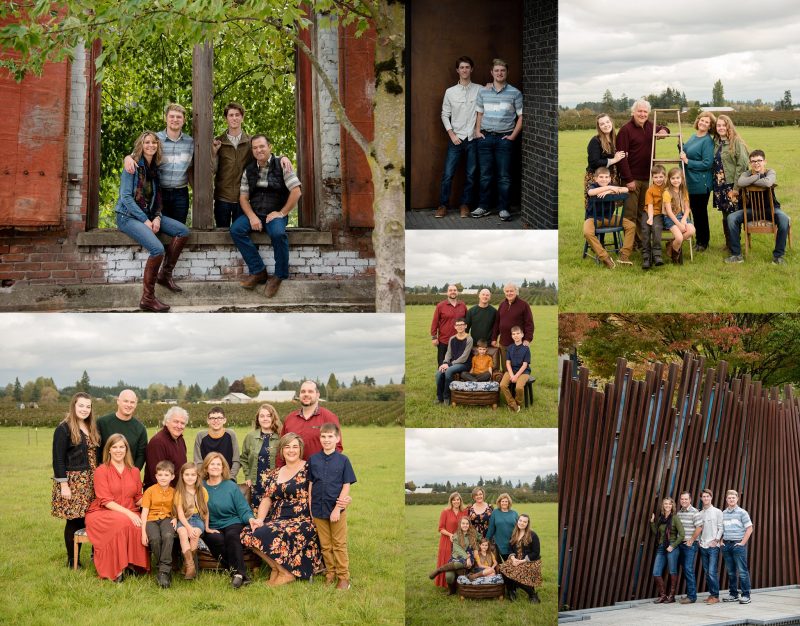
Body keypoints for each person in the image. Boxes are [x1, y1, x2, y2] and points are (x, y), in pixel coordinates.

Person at [115, 131, 190, 312]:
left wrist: (156, 217)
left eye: (154, 142)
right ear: (141, 145)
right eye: (147, 142)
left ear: (158, 146)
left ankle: (165, 275)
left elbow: (157, 198)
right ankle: (147, 298)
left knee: (183, 231)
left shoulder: (154, 168)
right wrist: (145, 221)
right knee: (157, 249)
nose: (151, 145)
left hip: (148, 215)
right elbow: (125, 197)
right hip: (128, 216)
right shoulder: (132, 166)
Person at [242, 433, 322, 586]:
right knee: (248, 532)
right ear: (281, 450)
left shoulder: (309, 469)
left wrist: (316, 520)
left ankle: (285, 573)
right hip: (278, 518)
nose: (291, 450)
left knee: (273, 531)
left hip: (301, 519)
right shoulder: (276, 472)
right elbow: (267, 498)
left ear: (300, 450)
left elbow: (317, 494)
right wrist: (259, 519)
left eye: (295, 447)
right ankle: (277, 568)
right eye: (287, 447)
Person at [231, 134, 302, 297]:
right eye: (255, 148)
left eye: (262, 146)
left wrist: (281, 213)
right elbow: (243, 197)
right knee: (235, 230)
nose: (258, 150)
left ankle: (279, 275)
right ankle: (258, 271)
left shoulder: (282, 165)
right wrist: (252, 217)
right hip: (255, 212)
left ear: (269, 147)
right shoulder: (248, 170)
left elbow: (296, 191)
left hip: (275, 213)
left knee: (278, 234)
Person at [84, 434, 150, 581]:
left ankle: (132, 565)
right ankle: (116, 569)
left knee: (140, 525)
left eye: (122, 447)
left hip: (129, 510)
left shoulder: (134, 471)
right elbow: (105, 500)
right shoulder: (102, 470)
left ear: (126, 450)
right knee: (123, 521)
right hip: (103, 512)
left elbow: (138, 498)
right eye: (114, 447)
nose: (118, 450)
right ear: (108, 450)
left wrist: (155, 498)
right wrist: (129, 514)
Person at [51, 392, 100, 568]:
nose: (85, 409)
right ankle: (73, 561)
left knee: (90, 519)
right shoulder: (63, 429)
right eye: (81, 405)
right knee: (74, 520)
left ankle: (96, 555)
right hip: (73, 482)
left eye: (88, 406)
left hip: (91, 482)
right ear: (73, 406)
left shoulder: (91, 427)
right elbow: (58, 459)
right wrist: (64, 485)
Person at [124, 103, 194, 225]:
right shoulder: (155, 139)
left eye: (179, 117)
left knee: (179, 228)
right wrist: (127, 158)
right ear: (166, 118)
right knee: (158, 228)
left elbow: (194, 167)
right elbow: (136, 155)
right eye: (172, 116)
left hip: (181, 195)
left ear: (184, 120)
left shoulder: (191, 142)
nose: (175, 120)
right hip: (159, 192)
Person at [472, 58, 523, 221]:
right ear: (492, 73)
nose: (499, 73)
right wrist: (477, 131)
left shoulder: (515, 93)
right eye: (497, 71)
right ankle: (484, 207)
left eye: (502, 70)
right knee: (485, 175)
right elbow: (479, 113)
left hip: (504, 139)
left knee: (504, 176)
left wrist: (513, 136)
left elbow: (521, 116)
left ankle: (504, 209)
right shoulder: (483, 92)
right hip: (485, 138)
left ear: (506, 72)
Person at [307, 422, 357, 590]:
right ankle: (330, 573)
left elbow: (346, 485)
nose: (326, 440)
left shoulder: (343, 460)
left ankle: (343, 577)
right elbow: (311, 486)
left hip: (336, 510)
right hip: (318, 509)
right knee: (325, 545)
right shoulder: (313, 460)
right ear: (319, 438)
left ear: (337, 438)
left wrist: (337, 509)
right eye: (323, 436)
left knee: (339, 544)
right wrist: (310, 508)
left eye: (330, 437)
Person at [616, 99, 670, 240]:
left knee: (643, 212)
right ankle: (630, 244)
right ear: (633, 112)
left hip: (648, 178)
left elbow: (664, 129)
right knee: (630, 213)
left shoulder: (651, 127)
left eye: (645, 111)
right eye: (639, 111)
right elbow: (621, 158)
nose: (642, 114)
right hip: (632, 179)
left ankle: (640, 242)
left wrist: (664, 130)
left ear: (648, 113)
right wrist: (628, 180)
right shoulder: (625, 130)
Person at [725, 149, 790, 265]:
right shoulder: (746, 173)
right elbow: (740, 182)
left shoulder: (771, 172)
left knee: (784, 219)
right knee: (731, 218)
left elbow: (767, 183)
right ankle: (736, 255)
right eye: (753, 161)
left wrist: (752, 180)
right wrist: (758, 176)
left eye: (759, 160)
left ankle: (778, 256)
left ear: (765, 161)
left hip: (771, 209)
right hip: (751, 211)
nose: (756, 163)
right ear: (750, 163)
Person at [200, 452, 254, 589]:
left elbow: (243, 508)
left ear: (223, 468)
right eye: (212, 464)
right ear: (206, 467)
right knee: (217, 540)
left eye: (219, 464)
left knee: (231, 536)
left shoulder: (230, 486)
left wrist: (251, 519)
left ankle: (237, 575)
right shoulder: (200, 487)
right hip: (211, 525)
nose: (215, 467)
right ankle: (241, 574)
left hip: (232, 522)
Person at [436, 55, 481, 218]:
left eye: (467, 67)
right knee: (448, 174)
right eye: (461, 67)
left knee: (471, 175)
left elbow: (484, 109)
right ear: (457, 70)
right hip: (456, 139)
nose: (464, 70)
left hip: (473, 139)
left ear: (471, 69)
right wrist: (451, 134)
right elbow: (444, 114)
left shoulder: (480, 89)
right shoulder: (450, 92)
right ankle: (442, 205)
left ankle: (465, 205)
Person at [279, 380, 343, 463]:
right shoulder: (290, 418)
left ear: (317, 395)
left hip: (318, 473)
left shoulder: (329, 417)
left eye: (310, 391)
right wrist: (280, 470)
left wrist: (326, 468)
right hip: (293, 472)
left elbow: (337, 447)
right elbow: (281, 447)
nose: (306, 394)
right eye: (303, 391)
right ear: (299, 395)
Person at [211, 102, 253, 228]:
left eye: (237, 115)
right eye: (231, 115)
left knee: (240, 234)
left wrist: (282, 158)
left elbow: (264, 156)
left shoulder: (251, 142)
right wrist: (213, 153)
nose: (234, 118)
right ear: (226, 119)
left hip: (243, 198)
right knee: (221, 234)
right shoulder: (218, 142)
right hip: (222, 198)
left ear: (242, 118)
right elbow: (212, 170)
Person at [585, 167, 634, 269]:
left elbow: (626, 189)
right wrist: (610, 189)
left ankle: (624, 255)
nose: (604, 179)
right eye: (601, 177)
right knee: (587, 232)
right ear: (595, 178)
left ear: (610, 178)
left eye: (606, 177)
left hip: (609, 217)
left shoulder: (612, 185)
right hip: (593, 218)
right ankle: (605, 257)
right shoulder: (592, 186)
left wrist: (609, 190)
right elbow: (591, 193)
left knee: (631, 226)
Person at [680, 111, 716, 251]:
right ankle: (698, 239)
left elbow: (707, 164)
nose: (703, 123)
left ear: (710, 126)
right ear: (698, 121)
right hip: (690, 182)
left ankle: (703, 242)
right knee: (694, 212)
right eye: (702, 120)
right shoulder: (693, 137)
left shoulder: (707, 141)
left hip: (701, 184)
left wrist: (688, 161)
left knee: (700, 213)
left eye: (707, 122)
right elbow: (686, 154)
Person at [712, 114, 749, 251]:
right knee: (725, 214)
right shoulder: (717, 142)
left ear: (729, 126)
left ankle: (735, 245)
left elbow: (743, 165)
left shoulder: (736, 142)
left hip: (731, 185)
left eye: (724, 125)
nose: (721, 128)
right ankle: (729, 244)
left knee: (733, 215)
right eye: (718, 125)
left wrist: (736, 187)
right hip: (719, 185)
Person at [140, 460, 176, 588]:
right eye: (160, 475)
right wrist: (143, 532)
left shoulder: (174, 492)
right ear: (156, 476)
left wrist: (176, 518)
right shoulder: (149, 491)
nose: (163, 478)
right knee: (154, 539)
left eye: (166, 475)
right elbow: (144, 512)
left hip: (167, 518)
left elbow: (177, 508)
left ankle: (163, 571)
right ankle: (165, 570)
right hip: (151, 519)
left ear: (172, 477)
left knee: (167, 535)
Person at [173, 461, 210, 581]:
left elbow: (205, 511)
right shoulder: (179, 492)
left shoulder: (202, 491)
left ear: (197, 476)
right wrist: (188, 527)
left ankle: (187, 566)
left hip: (197, 518)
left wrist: (207, 527)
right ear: (182, 476)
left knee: (195, 535)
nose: (190, 477)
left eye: (193, 475)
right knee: (183, 533)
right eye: (187, 474)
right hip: (184, 519)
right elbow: (180, 514)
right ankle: (190, 566)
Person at [240, 403, 282, 510]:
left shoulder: (280, 437)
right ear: (258, 419)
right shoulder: (250, 437)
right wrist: (248, 476)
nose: (265, 419)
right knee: (256, 511)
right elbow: (243, 458)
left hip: (275, 482)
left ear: (273, 418)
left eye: (268, 416)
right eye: (262, 416)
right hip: (256, 482)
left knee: (273, 511)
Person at [97, 389, 147, 471]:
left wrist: (132, 474)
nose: (129, 405)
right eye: (126, 401)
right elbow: (96, 451)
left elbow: (141, 455)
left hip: (128, 477)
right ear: (118, 401)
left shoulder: (140, 428)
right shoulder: (102, 423)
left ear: (136, 404)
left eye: (132, 402)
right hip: (106, 475)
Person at [585, 113, 627, 208]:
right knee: (594, 208)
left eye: (607, 122)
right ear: (599, 127)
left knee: (610, 207)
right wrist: (614, 160)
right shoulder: (595, 141)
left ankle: (608, 223)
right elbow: (594, 162)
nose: (606, 125)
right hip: (596, 178)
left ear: (611, 122)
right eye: (602, 124)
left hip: (611, 177)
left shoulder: (615, 139)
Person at [498, 514, 542, 603]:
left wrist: (522, 561)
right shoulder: (514, 533)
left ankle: (532, 595)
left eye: (524, 521)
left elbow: (536, 552)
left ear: (527, 523)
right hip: (516, 559)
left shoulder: (533, 535)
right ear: (517, 521)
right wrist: (513, 558)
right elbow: (510, 548)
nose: (522, 523)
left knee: (516, 573)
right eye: (520, 521)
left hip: (529, 561)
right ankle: (511, 591)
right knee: (503, 569)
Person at [428, 517, 478, 594]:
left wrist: (477, 549)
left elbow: (482, 539)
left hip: (469, 559)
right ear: (460, 525)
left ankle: (439, 570)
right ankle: (452, 590)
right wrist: (467, 557)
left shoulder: (473, 534)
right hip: (456, 558)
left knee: (459, 565)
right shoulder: (456, 535)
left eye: (467, 523)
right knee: (449, 577)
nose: (465, 525)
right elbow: (458, 549)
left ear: (469, 525)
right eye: (463, 523)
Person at [721, 489, 754, 604]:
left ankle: (746, 595)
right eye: (729, 498)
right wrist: (721, 541)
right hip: (726, 545)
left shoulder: (742, 512)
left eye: (733, 498)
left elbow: (749, 528)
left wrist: (742, 543)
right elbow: (721, 529)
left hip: (738, 545)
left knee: (742, 571)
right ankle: (733, 594)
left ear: (737, 499)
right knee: (730, 571)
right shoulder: (723, 513)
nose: (731, 500)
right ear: (726, 499)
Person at [649, 497, 684, 604]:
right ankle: (663, 595)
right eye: (665, 504)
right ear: (663, 506)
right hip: (661, 548)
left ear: (672, 505)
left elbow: (682, 535)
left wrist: (672, 546)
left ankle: (672, 596)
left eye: (669, 504)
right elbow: (657, 533)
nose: (667, 506)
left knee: (672, 571)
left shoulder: (675, 518)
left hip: (672, 548)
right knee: (656, 572)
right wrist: (652, 523)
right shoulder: (661, 519)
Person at [143, 406, 188, 489]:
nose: (179, 426)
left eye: (182, 423)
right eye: (176, 422)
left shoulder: (180, 440)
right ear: (167, 422)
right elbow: (156, 475)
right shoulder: (158, 442)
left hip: (177, 492)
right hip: (159, 495)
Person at [491, 284, 534, 366]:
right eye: (507, 291)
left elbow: (529, 324)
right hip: (503, 343)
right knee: (505, 367)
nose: (509, 293)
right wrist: (494, 338)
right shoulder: (502, 305)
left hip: (518, 344)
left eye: (511, 291)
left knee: (517, 367)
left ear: (516, 292)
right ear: (504, 292)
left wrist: (527, 339)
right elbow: (497, 323)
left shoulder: (524, 305)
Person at [193, 407, 241, 480]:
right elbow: (198, 461)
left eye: (219, 418)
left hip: (228, 478)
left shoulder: (231, 434)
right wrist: (205, 478)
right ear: (208, 420)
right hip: (206, 479)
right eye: (212, 418)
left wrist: (231, 477)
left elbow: (236, 460)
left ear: (224, 420)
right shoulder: (200, 436)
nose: (216, 421)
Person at [433, 492, 469, 589]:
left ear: (460, 501)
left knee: (459, 561)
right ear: (451, 501)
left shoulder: (464, 511)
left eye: (458, 499)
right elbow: (440, 528)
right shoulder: (445, 512)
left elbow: (467, 524)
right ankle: (446, 583)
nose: (456, 501)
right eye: (454, 500)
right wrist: (450, 534)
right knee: (447, 560)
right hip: (447, 540)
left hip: (460, 541)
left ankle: (459, 583)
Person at [435, 318, 473, 405]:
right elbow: (448, 353)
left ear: (466, 326)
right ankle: (439, 397)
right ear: (455, 327)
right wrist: (445, 363)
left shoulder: (469, 339)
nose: (460, 327)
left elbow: (464, 357)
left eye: (462, 324)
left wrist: (450, 365)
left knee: (449, 371)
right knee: (438, 373)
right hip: (452, 363)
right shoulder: (452, 338)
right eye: (458, 325)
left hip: (464, 363)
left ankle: (447, 397)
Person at [662, 167, 696, 264]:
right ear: (669, 179)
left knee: (691, 230)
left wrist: (684, 219)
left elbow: (687, 208)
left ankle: (670, 245)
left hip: (681, 216)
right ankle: (675, 258)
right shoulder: (667, 192)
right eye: (673, 178)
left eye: (678, 178)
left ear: (682, 179)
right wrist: (679, 224)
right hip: (670, 218)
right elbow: (669, 212)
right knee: (679, 238)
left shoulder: (683, 191)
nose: (675, 180)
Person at [431, 284, 468, 366]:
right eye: (450, 290)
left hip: (460, 340)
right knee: (442, 364)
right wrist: (434, 337)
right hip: (444, 341)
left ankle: (455, 379)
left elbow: (467, 321)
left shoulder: (462, 305)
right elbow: (435, 322)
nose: (453, 292)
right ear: (447, 293)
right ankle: (442, 378)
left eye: (454, 290)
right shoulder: (440, 306)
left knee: (457, 364)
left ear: (457, 292)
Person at [676, 491, 703, 604]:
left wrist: (691, 540)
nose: (684, 501)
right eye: (682, 499)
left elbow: (699, 527)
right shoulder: (679, 513)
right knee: (685, 569)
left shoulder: (695, 512)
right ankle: (689, 594)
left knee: (688, 569)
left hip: (690, 545)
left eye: (686, 499)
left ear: (690, 500)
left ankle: (692, 597)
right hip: (680, 544)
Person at [698, 488, 724, 605]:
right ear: (701, 498)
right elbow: (698, 528)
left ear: (711, 497)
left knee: (712, 571)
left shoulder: (718, 512)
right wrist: (699, 540)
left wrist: (716, 540)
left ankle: (716, 596)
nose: (706, 498)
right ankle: (712, 594)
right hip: (703, 545)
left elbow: (721, 527)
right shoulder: (700, 513)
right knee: (707, 571)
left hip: (713, 546)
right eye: (703, 496)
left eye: (707, 496)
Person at [499, 326, 530, 412]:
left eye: (518, 333)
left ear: (522, 335)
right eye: (513, 334)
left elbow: (524, 365)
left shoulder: (526, 348)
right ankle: (512, 404)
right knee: (502, 385)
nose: (516, 336)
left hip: (523, 372)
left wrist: (516, 376)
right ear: (512, 336)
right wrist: (512, 374)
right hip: (511, 370)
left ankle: (518, 403)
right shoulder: (510, 347)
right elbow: (508, 363)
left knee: (519, 388)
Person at [642, 165, 667, 270]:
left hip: (660, 213)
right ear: (652, 177)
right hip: (649, 212)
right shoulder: (650, 190)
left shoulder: (667, 188)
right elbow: (650, 205)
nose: (658, 179)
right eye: (656, 177)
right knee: (645, 229)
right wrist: (650, 217)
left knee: (656, 228)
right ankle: (646, 256)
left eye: (661, 177)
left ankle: (657, 254)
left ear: (665, 177)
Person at [486, 492, 519, 561]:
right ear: (499, 502)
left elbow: (519, 528)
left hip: (512, 544)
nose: (504, 503)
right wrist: (486, 540)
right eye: (502, 501)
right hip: (499, 544)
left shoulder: (514, 513)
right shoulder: (495, 512)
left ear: (509, 502)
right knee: (499, 566)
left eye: (506, 501)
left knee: (512, 565)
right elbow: (491, 528)